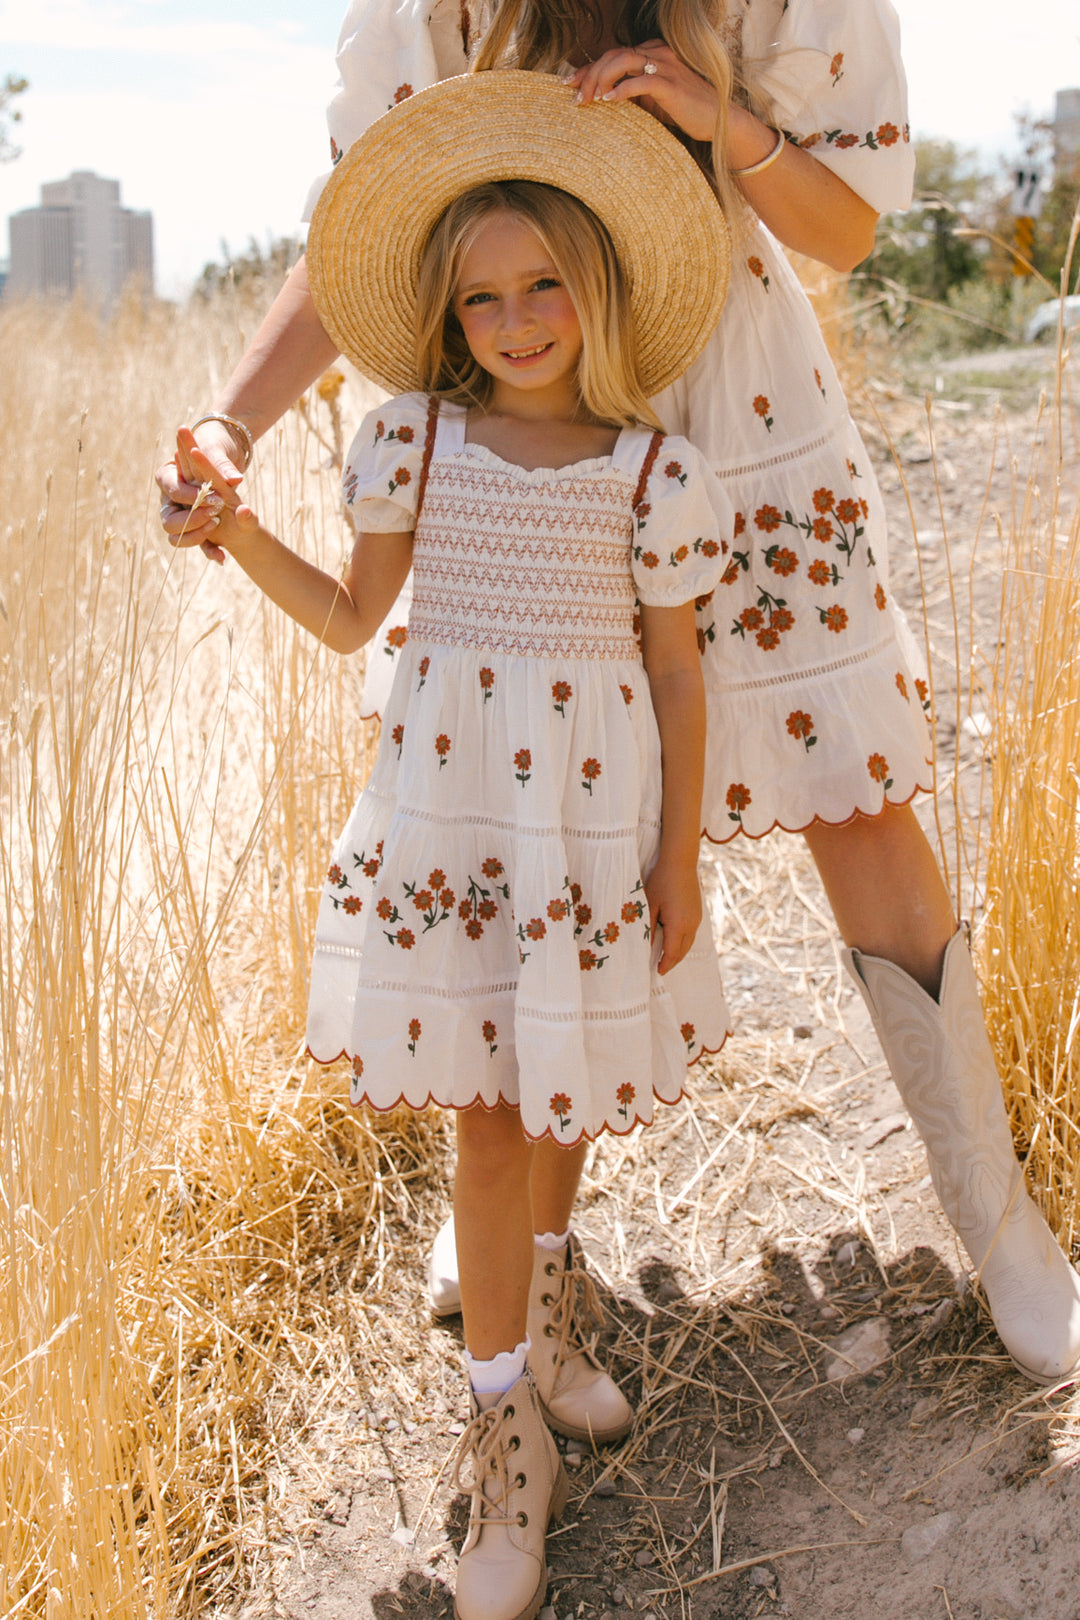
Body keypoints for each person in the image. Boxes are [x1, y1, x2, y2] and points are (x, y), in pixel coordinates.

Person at [158, 0, 1080, 1388]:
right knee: (541, 833)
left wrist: (724, 124)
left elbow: (844, 232)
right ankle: (527, 1249)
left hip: (742, 404)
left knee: (859, 803)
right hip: (543, 434)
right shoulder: (429, 10)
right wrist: (231, 420)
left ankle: (1005, 1232)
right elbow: (359, 230)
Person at [166, 71, 733, 1619]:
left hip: (591, 832)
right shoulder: (412, 444)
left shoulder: (651, 475)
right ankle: (500, 1423)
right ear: (449, 317)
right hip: (456, 828)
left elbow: (679, 675)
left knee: (559, 1098)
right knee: (485, 1119)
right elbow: (357, 617)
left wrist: (678, 859)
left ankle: (543, 1306)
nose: (518, 317)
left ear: (597, 290)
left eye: (545, 282)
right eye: (483, 296)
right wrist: (236, 534)